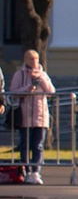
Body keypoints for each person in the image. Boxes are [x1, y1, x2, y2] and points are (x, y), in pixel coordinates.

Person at [8, 46, 55, 181]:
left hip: (41, 116)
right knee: (25, 145)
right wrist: (27, 89)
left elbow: (51, 92)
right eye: (31, 59)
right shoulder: (20, 74)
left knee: (38, 145)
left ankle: (36, 171)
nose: (34, 61)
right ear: (26, 60)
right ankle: (26, 170)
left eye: (36, 59)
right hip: (25, 115)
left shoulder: (43, 74)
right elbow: (13, 92)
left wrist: (41, 78)